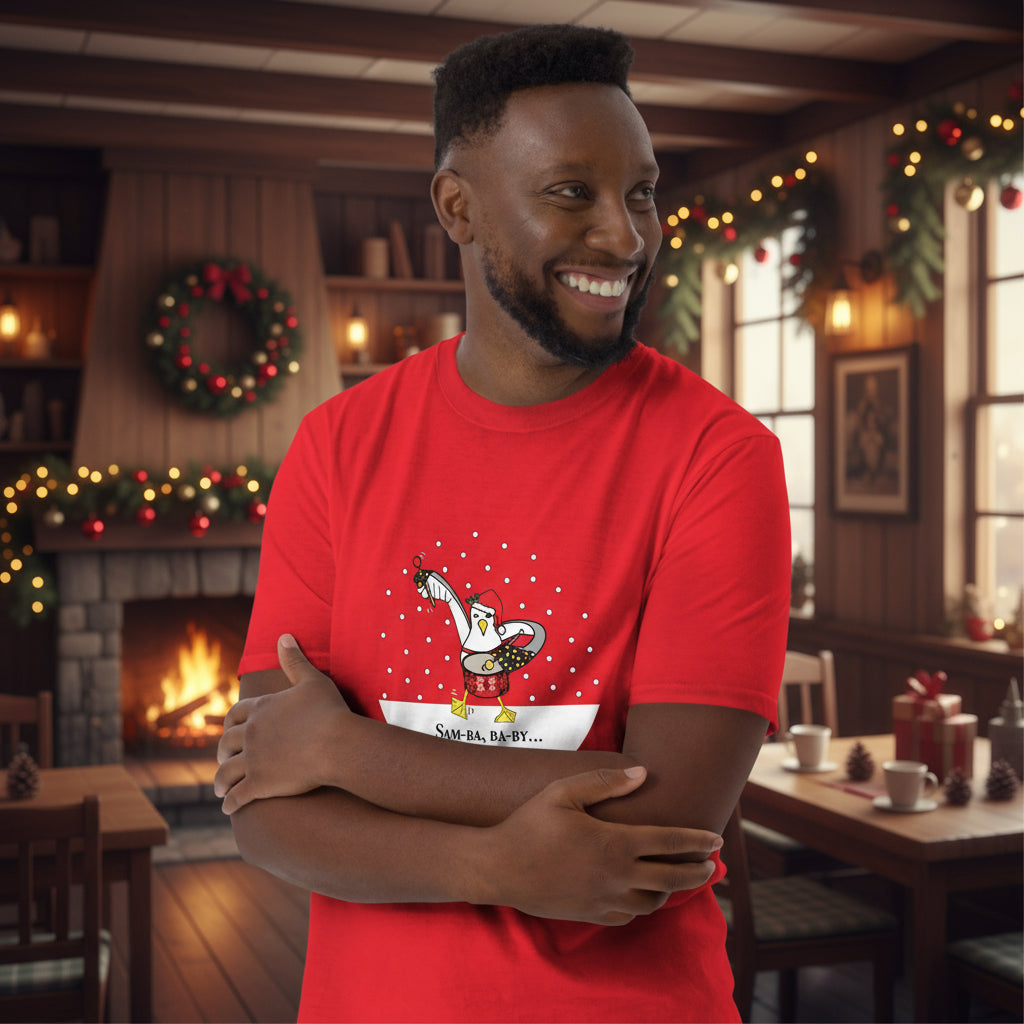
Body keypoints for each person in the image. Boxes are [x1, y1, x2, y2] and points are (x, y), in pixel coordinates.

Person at [214, 22, 790, 1024]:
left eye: (642, 192)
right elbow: (266, 803)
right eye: (571, 192)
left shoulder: (719, 455)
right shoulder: (336, 445)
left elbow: (664, 817)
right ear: (458, 207)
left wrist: (346, 753)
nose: (625, 235)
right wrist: (494, 860)